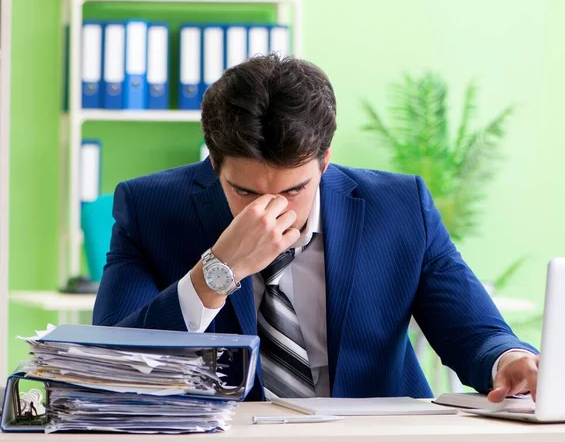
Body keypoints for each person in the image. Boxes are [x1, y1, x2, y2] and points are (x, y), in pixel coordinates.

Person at [93, 54, 539, 402]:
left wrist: (509, 360)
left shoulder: (400, 207)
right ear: (213, 164)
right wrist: (217, 272)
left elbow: (475, 332)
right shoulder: (150, 207)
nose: (270, 209)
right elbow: (109, 363)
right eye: (245, 192)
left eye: (293, 190)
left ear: (324, 161)